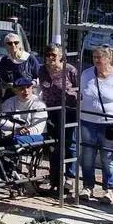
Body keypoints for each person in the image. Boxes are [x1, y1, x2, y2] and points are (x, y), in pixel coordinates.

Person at [78, 44, 113, 204]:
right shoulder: (86, 74)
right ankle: (87, 186)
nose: (96, 60)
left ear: (109, 59)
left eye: (99, 57)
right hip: (88, 120)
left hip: (110, 123)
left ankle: (109, 189)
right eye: (94, 57)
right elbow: (82, 92)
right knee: (87, 155)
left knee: (106, 156)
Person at [38, 43, 78, 193]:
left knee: (69, 143)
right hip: (51, 110)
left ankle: (70, 177)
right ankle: (54, 176)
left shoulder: (69, 70)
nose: (50, 58)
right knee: (53, 144)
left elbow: (80, 89)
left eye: (53, 55)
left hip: (68, 110)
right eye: (48, 54)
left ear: (61, 56)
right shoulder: (42, 70)